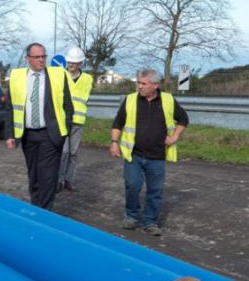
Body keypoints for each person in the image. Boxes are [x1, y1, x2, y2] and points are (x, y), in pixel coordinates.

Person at [109, 68, 189, 236]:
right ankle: (131, 216)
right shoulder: (130, 100)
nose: (139, 86)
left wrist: (175, 136)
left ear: (155, 85)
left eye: (143, 84)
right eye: (138, 83)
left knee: (155, 191)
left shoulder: (167, 100)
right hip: (134, 154)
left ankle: (150, 222)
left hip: (157, 156)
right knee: (133, 185)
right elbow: (118, 122)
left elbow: (183, 118)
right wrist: (114, 142)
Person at [6, 43, 74, 210]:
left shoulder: (58, 75)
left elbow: (68, 106)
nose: (41, 60)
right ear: (27, 58)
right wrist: (10, 134)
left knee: (48, 177)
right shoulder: (16, 77)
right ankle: (36, 209)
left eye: (44, 56)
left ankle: (45, 214)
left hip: (50, 135)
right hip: (27, 135)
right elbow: (9, 108)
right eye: (37, 57)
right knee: (34, 175)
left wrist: (64, 131)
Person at [51, 47, 94, 193]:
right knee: (63, 152)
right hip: (63, 120)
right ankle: (58, 180)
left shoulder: (88, 79)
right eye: (70, 61)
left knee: (73, 153)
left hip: (78, 121)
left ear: (80, 63)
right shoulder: (60, 75)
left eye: (75, 62)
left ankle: (69, 180)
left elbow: (83, 98)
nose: (71, 64)